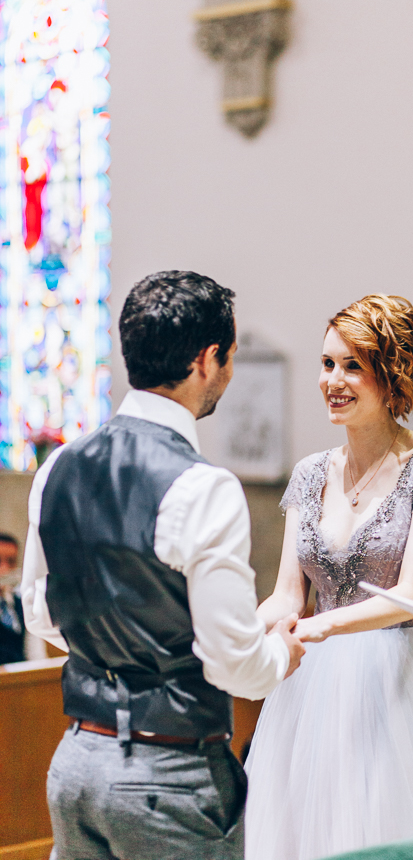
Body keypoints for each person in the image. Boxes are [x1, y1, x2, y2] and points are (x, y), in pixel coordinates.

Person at [20, 271, 305, 860]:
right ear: (207, 360)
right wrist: (281, 654)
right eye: (229, 357)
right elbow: (232, 663)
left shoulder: (58, 467)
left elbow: (38, 611)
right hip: (168, 772)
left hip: (75, 761)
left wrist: (114, 631)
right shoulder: (203, 488)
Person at [244, 295, 413, 860]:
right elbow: (288, 595)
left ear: (392, 375)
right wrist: (238, 629)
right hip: (309, 688)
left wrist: (322, 627)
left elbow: (411, 594)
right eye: (327, 363)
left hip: (399, 681)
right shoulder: (311, 472)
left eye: (352, 366)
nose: (332, 380)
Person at [0, 533, 25, 664]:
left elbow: (35, 654)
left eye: (11, 561)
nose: (5, 569)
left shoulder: (21, 604)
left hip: (20, 680)